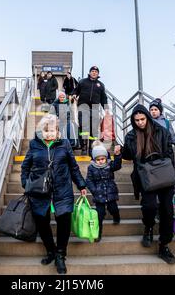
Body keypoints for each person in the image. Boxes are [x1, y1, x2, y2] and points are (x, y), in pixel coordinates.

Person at [21, 114, 87, 274]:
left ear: (57, 131)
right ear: (41, 131)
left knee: (64, 222)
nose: (49, 134)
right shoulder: (34, 145)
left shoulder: (64, 144)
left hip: (62, 189)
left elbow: (73, 167)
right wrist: (26, 184)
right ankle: (51, 251)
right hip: (39, 192)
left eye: (52, 130)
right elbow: (25, 167)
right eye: (46, 131)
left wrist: (81, 184)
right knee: (42, 224)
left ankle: (60, 254)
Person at [121, 104, 175, 265]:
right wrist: (120, 151)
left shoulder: (161, 131)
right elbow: (128, 156)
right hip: (145, 175)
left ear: (148, 118)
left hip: (163, 173)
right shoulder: (131, 136)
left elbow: (171, 153)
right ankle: (148, 227)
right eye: (136, 120)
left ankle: (164, 245)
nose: (140, 123)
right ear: (133, 121)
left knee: (167, 210)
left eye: (142, 119)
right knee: (149, 207)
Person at [86, 143, 122, 243]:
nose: (101, 161)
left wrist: (118, 155)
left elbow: (118, 165)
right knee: (99, 215)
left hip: (110, 192)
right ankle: (98, 233)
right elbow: (89, 180)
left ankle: (116, 217)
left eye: (102, 159)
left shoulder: (110, 165)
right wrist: (94, 190)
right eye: (98, 159)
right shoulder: (91, 168)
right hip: (99, 195)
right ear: (94, 160)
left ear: (106, 158)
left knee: (113, 208)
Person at [72, 66, 108, 156]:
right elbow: (76, 90)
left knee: (93, 130)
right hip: (83, 107)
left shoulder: (101, 85)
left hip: (95, 108)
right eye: (92, 71)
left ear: (98, 74)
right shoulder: (83, 81)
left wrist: (106, 108)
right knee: (84, 128)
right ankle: (84, 147)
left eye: (96, 71)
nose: (94, 73)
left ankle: (92, 149)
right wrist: (74, 95)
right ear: (89, 72)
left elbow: (104, 98)